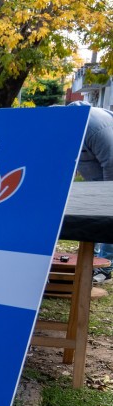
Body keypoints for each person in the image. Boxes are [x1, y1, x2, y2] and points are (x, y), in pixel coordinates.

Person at [69, 101, 113, 281]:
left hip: (109, 172)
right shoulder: (68, 127)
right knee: (91, 214)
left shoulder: (97, 127)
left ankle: (107, 265)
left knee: (108, 215)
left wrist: (106, 198)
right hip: (96, 173)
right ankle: (90, 257)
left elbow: (111, 164)